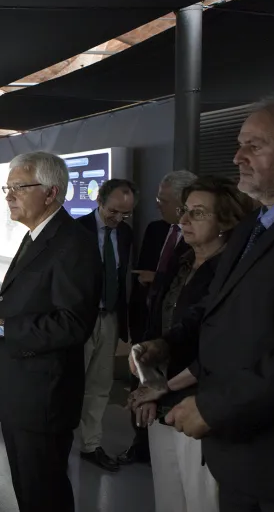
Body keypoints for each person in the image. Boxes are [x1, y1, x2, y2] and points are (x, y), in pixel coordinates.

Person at [133, 97, 274, 511]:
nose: (238, 157)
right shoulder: (255, 225)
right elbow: (216, 307)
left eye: (255, 146)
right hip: (244, 453)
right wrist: (168, 343)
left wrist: (213, 406)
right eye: (239, 144)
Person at [0, 151, 101, 512]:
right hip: (22, 394)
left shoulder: (74, 243)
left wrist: (1, 326)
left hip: (43, 397)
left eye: (19, 187)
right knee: (30, 492)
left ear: (51, 192)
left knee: (44, 494)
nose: (9, 196)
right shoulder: (37, 235)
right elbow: (33, 298)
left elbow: (73, 323)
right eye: (7, 188)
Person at [129, 176, 252, 512]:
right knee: (169, 500)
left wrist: (162, 387)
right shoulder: (181, 261)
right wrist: (148, 388)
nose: (182, 220)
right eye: (184, 210)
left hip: (201, 405)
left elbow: (215, 343)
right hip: (162, 401)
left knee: (201, 502)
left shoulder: (234, 273)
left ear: (226, 221)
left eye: (197, 213)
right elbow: (157, 331)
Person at [118, 169, 197, 466]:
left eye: (162, 200)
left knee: (165, 388)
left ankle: (162, 449)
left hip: (176, 332)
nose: (157, 205)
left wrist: (159, 279)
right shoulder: (154, 229)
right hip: (146, 324)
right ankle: (140, 445)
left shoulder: (198, 239)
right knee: (139, 386)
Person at [76, 178, 137, 472]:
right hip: (78, 320)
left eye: (125, 214)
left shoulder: (125, 234)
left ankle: (91, 444)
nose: (118, 218)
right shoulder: (76, 231)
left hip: (109, 317)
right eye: (114, 211)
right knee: (71, 383)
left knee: (100, 385)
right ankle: (58, 440)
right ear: (99, 200)